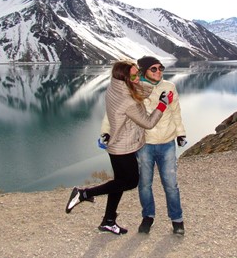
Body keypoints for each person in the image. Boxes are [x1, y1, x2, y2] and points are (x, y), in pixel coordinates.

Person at [65, 60, 173, 236]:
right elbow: (148, 122)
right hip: (124, 147)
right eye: (134, 75)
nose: (138, 76)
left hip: (117, 144)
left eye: (138, 72)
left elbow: (138, 92)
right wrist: (162, 105)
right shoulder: (127, 101)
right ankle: (83, 194)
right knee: (130, 182)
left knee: (119, 183)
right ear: (124, 77)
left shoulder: (115, 87)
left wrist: (139, 82)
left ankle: (108, 221)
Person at [101, 56, 187, 236]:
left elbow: (176, 112)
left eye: (161, 68)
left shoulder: (169, 87)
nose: (159, 71)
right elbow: (113, 112)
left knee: (171, 184)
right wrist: (106, 131)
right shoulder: (134, 88)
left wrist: (180, 133)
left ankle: (177, 220)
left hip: (167, 142)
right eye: (153, 69)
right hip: (144, 143)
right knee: (144, 184)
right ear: (144, 71)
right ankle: (148, 217)